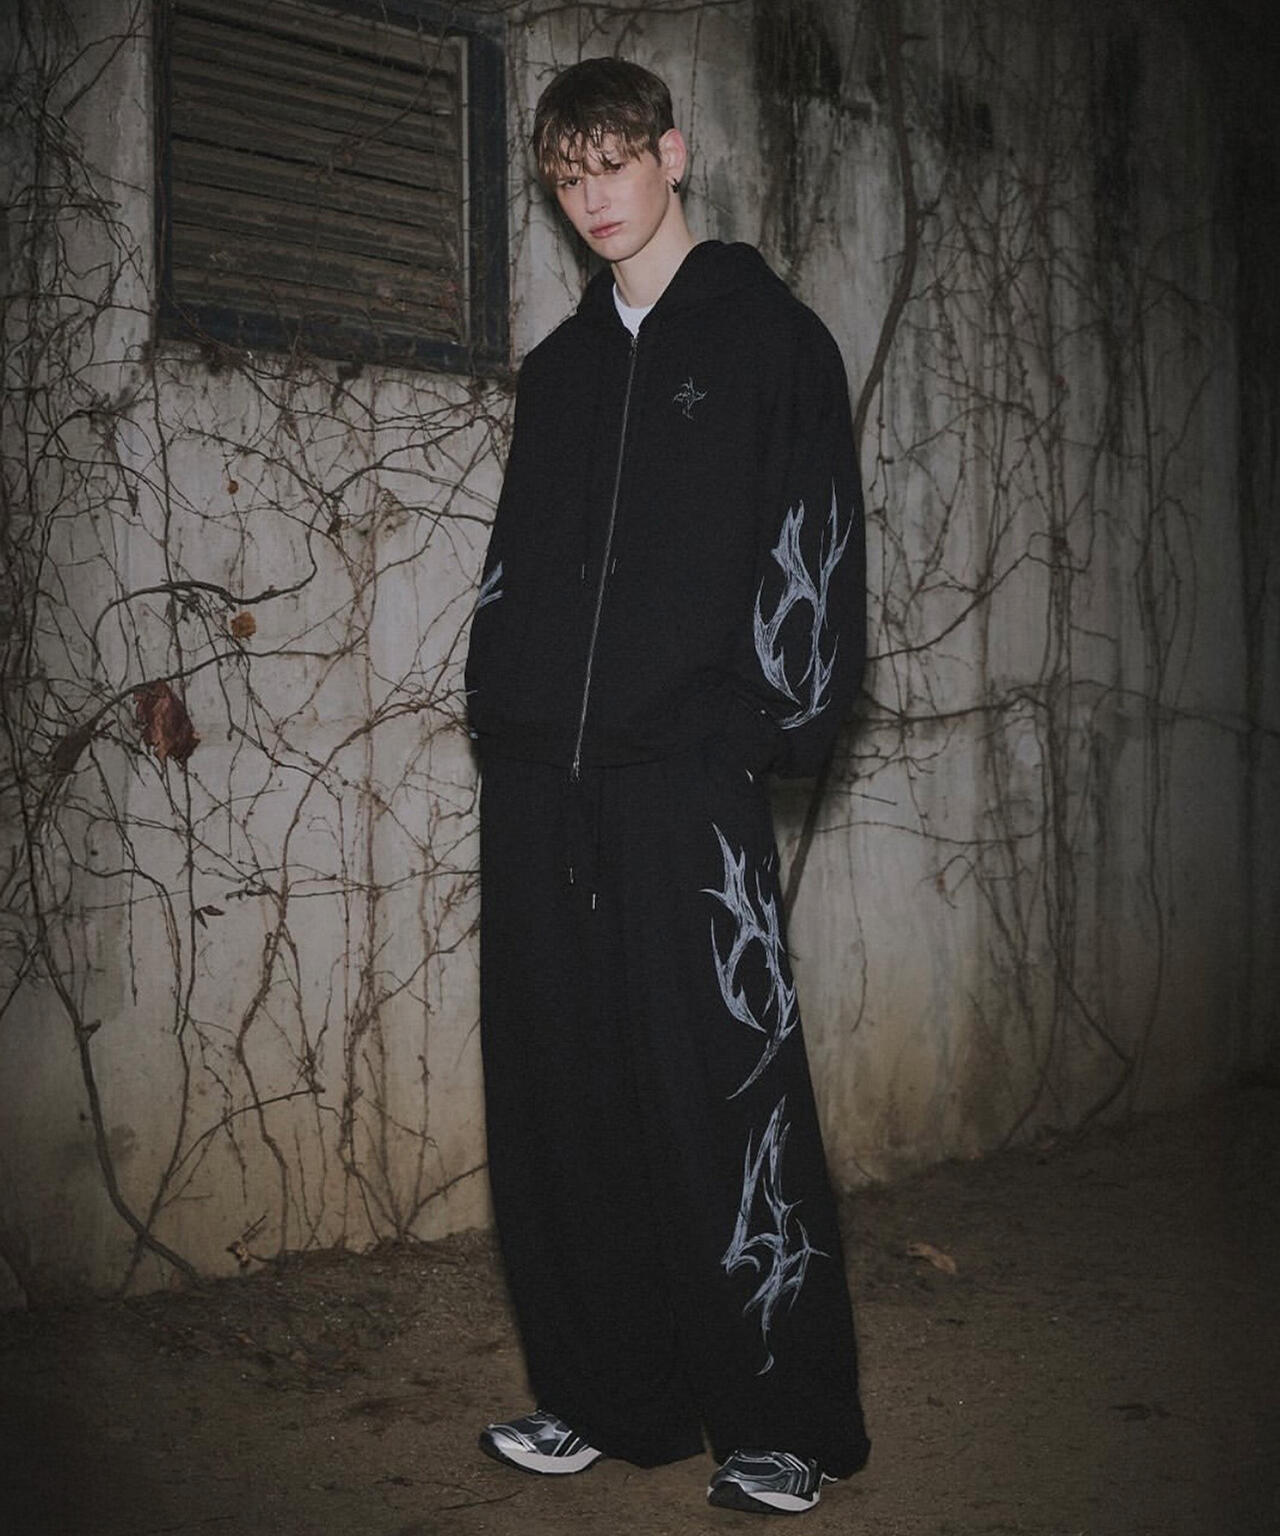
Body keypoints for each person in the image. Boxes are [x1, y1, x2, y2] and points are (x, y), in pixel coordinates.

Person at [464, 55, 871, 1516]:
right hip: (544, 792)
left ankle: (782, 1422)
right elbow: (515, 566)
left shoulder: (773, 343)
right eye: (568, 177)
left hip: (684, 788)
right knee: (562, 1099)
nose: (594, 199)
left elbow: (815, 545)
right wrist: (504, 713)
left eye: (615, 164)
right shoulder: (561, 372)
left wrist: (759, 734)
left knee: (726, 1097)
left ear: (674, 153)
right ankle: (602, 1394)